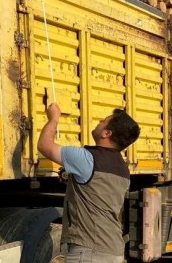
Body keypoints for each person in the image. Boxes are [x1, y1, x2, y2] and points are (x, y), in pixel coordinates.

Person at [37, 102, 141, 263]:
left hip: (89, 252)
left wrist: (53, 118)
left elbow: (45, 146)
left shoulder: (86, 158)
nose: (99, 122)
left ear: (106, 133)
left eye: (103, 121)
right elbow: (96, 192)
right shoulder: (123, 169)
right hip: (113, 250)